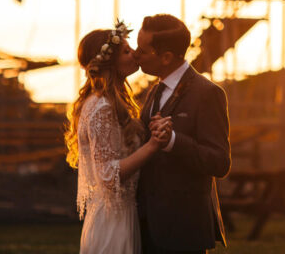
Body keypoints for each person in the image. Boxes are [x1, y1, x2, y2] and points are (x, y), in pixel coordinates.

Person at [65, 21, 173, 254]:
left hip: (120, 216)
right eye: (126, 50)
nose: (134, 53)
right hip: (114, 223)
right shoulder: (102, 107)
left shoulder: (107, 102)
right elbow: (108, 175)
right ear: (108, 62)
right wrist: (153, 145)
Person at [134, 13, 231, 254]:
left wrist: (173, 141)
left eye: (143, 50)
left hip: (183, 229)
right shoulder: (155, 91)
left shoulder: (208, 94)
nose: (136, 55)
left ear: (166, 57)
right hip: (147, 224)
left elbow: (220, 162)